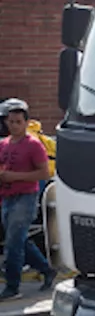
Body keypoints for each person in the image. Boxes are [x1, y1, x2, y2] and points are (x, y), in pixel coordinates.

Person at [0, 99, 57, 300]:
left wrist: (15, 177)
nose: (13, 125)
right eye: (10, 121)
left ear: (26, 122)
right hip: (7, 197)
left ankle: (12, 286)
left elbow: (43, 173)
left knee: (13, 243)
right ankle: (46, 269)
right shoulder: (4, 144)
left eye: (18, 121)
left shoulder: (33, 145)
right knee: (19, 239)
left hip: (26, 197)